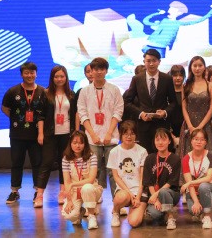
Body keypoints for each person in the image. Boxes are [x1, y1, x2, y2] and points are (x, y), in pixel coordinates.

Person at [77, 57, 124, 197]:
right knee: (93, 170)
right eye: (95, 69)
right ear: (91, 71)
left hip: (112, 137)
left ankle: (117, 200)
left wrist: (109, 133)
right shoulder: (84, 91)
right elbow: (82, 114)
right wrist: (92, 134)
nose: (98, 72)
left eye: (102, 69)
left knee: (114, 171)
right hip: (92, 138)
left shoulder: (114, 89)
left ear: (106, 71)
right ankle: (94, 198)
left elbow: (118, 111)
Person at [2, 61, 46, 205]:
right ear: (21, 74)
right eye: (26, 73)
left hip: (36, 135)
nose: (29, 75)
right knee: (16, 163)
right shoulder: (13, 91)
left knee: (37, 163)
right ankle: (14, 191)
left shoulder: (43, 92)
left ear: (36, 74)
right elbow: (4, 108)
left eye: (32, 72)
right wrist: (17, 119)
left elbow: (45, 112)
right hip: (17, 134)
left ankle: (37, 192)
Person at [36, 65, 79, 208]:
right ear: (52, 78)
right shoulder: (46, 93)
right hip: (49, 134)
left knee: (64, 163)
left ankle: (63, 192)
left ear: (66, 77)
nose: (59, 79)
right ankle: (39, 195)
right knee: (46, 163)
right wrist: (40, 133)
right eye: (56, 76)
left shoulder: (71, 94)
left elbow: (75, 114)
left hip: (67, 134)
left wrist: (76, 132)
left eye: (62, 76)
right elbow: (40, 116)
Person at [123, 48, 178, 153]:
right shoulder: (137, 79)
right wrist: (140, 114)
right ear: (144, 62)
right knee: (145, 155)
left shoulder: (167, 79)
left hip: (162, 125)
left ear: (159, 62)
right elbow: (127, 102)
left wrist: (165, 112)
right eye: (148, 61)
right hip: (143, 126)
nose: (151, 64)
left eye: (154, 60)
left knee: (162, 155)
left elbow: (174, 102)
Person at [107, 120, 148, 228]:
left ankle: (139, 209)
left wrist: (137, 197)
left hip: (139, 191)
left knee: (134, 222)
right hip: (124, 190)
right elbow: (116, 177)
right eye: (126, 133)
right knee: (121, 197)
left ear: (136, 135)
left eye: (132, 134)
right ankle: (116, 212)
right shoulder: (114, 152)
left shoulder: (142, 151)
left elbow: (143, 178)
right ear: (121, 135)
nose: (129, 137)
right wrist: (130, 193)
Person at [141, 0, 212, 58]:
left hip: (161, 48)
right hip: (149, 45)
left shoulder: (178, 23)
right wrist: (158, 13)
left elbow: (198, 20)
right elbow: (146, 21)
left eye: (172, 9)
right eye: (169, 9)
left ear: (179, 12)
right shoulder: (164, 21)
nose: (169, 11)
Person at [61, 131, 103, 229]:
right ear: (70, 144)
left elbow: (91, 179)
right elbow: (67, 182)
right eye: (75, 143)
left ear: (85, 144)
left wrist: (73, 184)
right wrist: (69, 200)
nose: (78, 146)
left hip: (91, 189)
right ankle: (80, 211)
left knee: (87, 187)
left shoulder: (92, 156)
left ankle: (91, 216)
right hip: (75, 192)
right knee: (69, 215)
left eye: (81, 143)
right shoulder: (66, 159)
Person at [141, 128, 181, 230]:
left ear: (169, 141)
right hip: (154, 195)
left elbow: (171, 182)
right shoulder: (150, 158)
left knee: (164, 191)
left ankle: (171, 217)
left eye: (163, 139)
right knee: (155, 214)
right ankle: (164, 213)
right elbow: (148, 182)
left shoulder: (175, 158)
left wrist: (156, 195)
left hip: (171, 193)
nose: (160, 142)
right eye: (157, 139)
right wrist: (155, 200)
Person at [179, 56, 212, 162]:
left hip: (205, 125)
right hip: (189, 125)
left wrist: (200, 127)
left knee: (206, 157)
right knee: (188, 157)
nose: (197, 68)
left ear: (204, 67)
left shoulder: (210, 85)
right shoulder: (185, 85)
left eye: (200, 65)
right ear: (190, 67)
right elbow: (184, 107)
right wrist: (191, 127)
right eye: (194, 65)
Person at [181, 128, 212, 229]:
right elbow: (189, 182)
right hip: (193, 191)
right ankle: (202, 206)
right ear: (191, 141)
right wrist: (196, 202)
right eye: (196, 139)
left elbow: (208, 178)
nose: (199, 142)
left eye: (202, 139)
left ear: (206, 142)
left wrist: (190, 183)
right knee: (194, 211)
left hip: (210, 187)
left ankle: (207, 216)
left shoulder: (211, 156)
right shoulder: (186, 159)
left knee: (203, 186)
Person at [168, 64, 185, 151]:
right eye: (175, 75)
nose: (178, 78)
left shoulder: (188, 91)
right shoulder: (166, 92)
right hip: (170, 130)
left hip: (185, 128)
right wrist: (170, 134)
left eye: (180, 75)